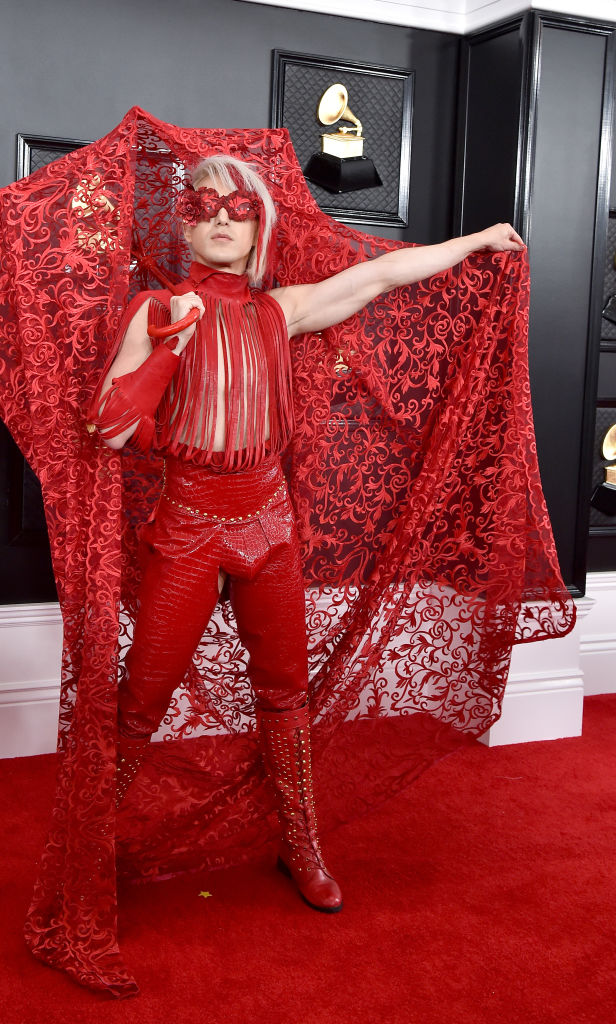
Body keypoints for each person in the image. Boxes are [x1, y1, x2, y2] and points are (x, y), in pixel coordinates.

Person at [90, 153, 525, 916]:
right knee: (141, 699)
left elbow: (382, 277)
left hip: (270, 524)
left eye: (238, 208)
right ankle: (91, 852)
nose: (222, 218)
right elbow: (111, 426)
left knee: (285, 695)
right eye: (205, 207)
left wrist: (476, 239)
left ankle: (300, 842)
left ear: (258, 226)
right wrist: (170, 346)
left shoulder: (280, 311)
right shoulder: (154, 309)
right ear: (186, 223)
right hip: (189, 524)